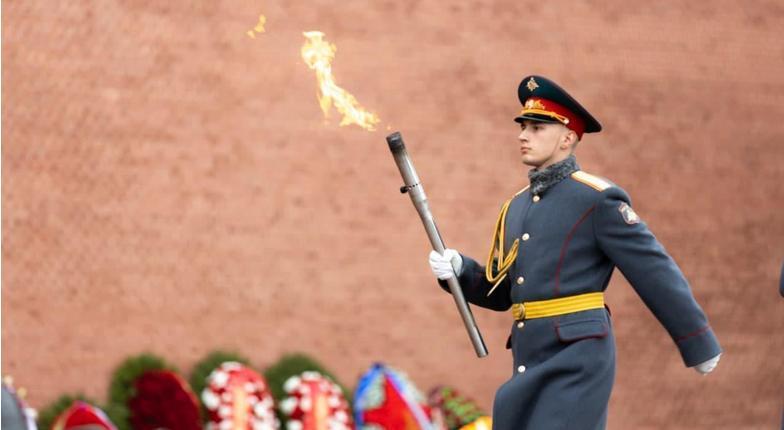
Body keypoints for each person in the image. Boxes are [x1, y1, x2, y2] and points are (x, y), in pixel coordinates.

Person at [427, 75, 722, 429]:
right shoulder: (516, 207)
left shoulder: (597, 198)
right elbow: (503, 292)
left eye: (536, 128)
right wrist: (459, 270)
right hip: (529, 357)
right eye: (523, 127)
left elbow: (654, 271)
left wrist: (698, 342)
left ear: (567, 138)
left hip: (578, 358)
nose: (523, 135)